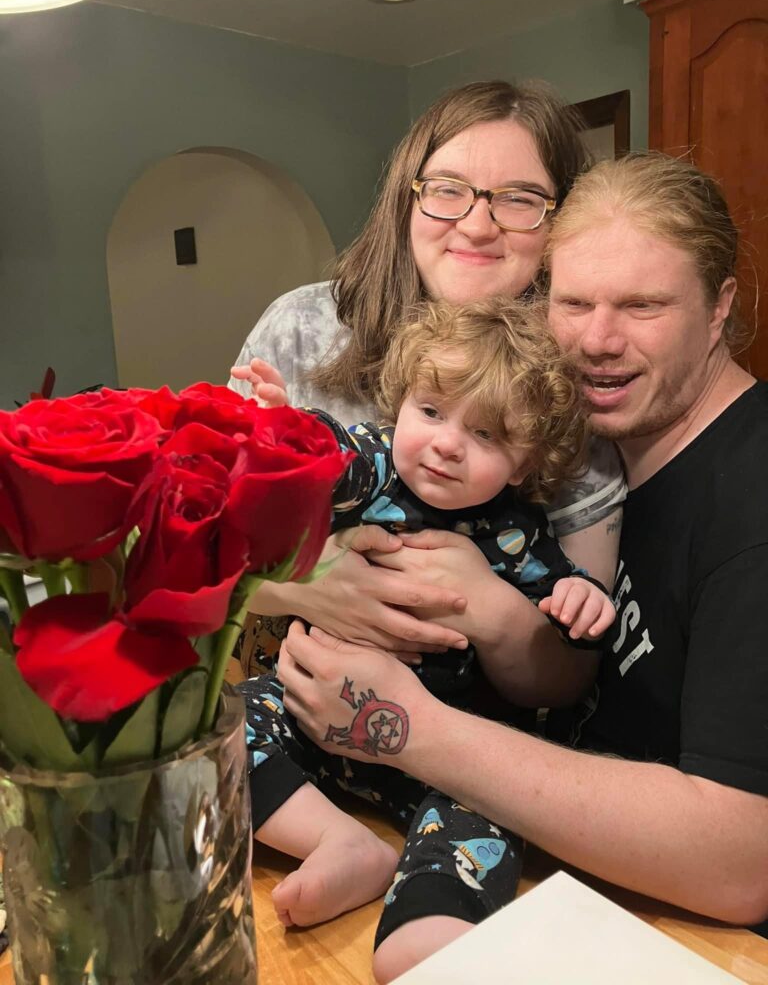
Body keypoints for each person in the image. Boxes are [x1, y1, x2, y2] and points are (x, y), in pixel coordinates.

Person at [274, 153, 768, 983]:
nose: (599, 341)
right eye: (575, 303)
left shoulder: (751, 498)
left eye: (644, 305)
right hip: (545, 880)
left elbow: (740, 859)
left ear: (719, 309)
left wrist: (412, 730)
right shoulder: (601, 473)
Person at [238, 296, 615, 949]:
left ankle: (430, 927)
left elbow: (560, 605)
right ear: (402, 405)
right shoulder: (380, 469)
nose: (445, 444)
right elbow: (332, 459)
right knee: (219, 727)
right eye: (431, 411)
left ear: (523, 464)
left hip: (444, 754)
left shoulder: (517, 533)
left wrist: (583, 603)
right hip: (312, 710)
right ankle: (339, 842)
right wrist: (284, 431)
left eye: (486, 434)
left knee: (489, 813)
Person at [229, 81, 627, 672]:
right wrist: (304, 587)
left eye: (519, 199)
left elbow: (566, 676)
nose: (476, 225)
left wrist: (487, 606)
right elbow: (197, 557)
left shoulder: (571, 386)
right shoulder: (300, 329)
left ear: (560, 220)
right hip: (284, 701)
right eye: (447, 190)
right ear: (406, 199)